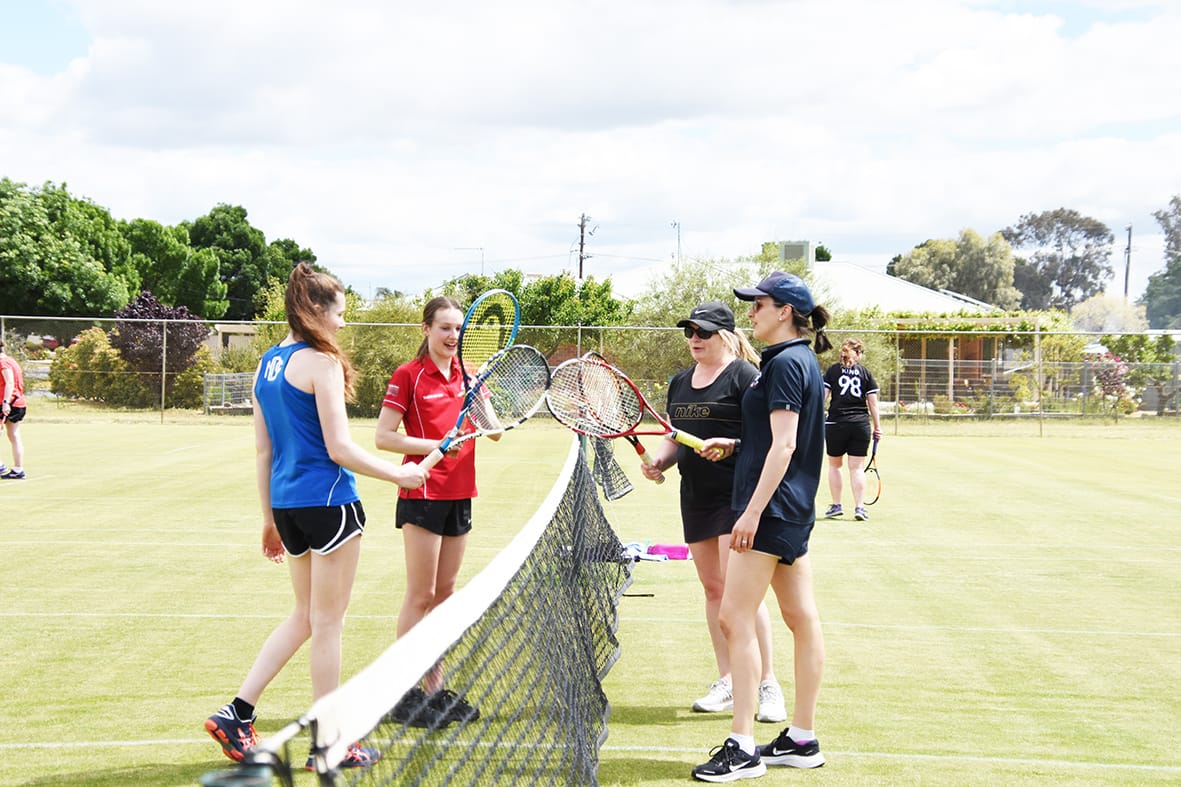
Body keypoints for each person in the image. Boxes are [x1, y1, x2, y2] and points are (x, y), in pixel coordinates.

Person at [205, 263, 429, 769]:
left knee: (306, 618)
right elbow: (341, 448)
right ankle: (328, 743)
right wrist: (399, 475)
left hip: (287, 507)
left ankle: (237, 712)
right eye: (340, 314)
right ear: (314, 310)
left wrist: (268, 519)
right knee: (328, 624)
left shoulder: (267, 363)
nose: (343, 325)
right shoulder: (321, 363)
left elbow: (263, 453)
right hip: (329, 504)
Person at [692, 272, 832, 781]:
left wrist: (749, 512)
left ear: (786, 312)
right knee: (801, 618)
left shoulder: (787, 363)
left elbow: (787, 445)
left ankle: (743, 745)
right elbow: (774, 438)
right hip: (791, 509)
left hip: (769, 511)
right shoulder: (791, 361)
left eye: (760, 304)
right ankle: (802, 738)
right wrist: (735, 446)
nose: (751, 313)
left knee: (735, 617)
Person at [638, 302, 787, 724]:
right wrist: (661, 462)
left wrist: (731, 447)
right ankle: (728, 679)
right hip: (696, 496)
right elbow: (675, 437)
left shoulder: (745, 377)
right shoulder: (680, 382)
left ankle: (767, 684)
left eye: (702, 331)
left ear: (724, 334)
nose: (694, 338)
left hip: (737, 497)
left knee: (742, 595)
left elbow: (763, 438)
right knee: (713, 590)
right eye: (689, 331)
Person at [374, 296, 497, 726]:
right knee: (421, 594)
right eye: (444, 327)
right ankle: (403, 689)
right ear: (426, 330)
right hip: (421, 492)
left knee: (445, 595)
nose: (452, 336)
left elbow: (494, 432)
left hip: (460, 495)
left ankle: (433, 689)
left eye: (458, 329)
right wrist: (436, 445)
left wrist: (481, 388)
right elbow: (384, 438)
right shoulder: (408, 376)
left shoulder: (468, 376)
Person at [822, 338, 882, 522]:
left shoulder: (832, 371)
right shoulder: (865, 373)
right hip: (860, 424)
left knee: (835, 465)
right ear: (858, 353)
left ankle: (836, 505)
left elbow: (823, 397)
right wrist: (878, 427)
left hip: (836, 424)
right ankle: (860, 508)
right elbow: (873, 403)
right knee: (856, 468)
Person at [0, 339, 27, 480]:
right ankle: (18, 469)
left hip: (8, 402)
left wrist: (5, 403)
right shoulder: (11, 360)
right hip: (18, 402)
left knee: (14, 435)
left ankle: (2, 467)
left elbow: (9, 382)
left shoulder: (3, 363)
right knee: (14, 435)